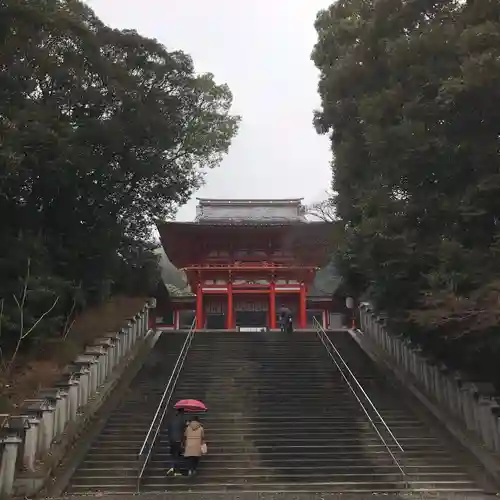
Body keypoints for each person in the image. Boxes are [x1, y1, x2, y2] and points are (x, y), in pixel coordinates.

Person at [166, 408, 186, 476]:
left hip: (172, 440)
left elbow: (169, 430)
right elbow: (183, 431)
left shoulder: (172, 420)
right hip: (178, 439)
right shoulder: (182, 420)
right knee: (177, 455)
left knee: (173, 454)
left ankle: (171, 467)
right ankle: (176, 469)